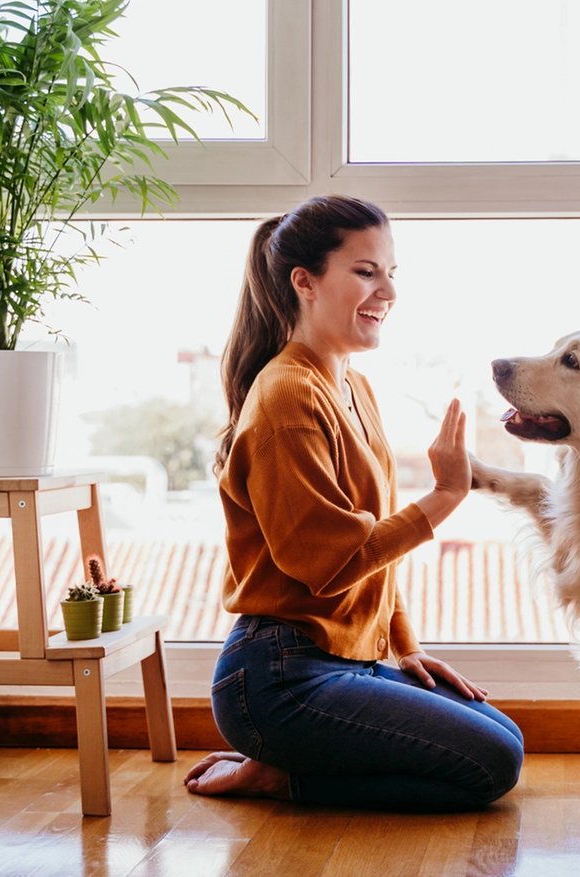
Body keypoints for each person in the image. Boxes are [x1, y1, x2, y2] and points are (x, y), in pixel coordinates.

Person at [184, 195, 524, 810]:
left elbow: (372, 556)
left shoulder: (351, 384)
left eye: (392, 273)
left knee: (505, 736)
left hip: (346, 659)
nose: (387, 290)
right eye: (366, 271)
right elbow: (332, 564)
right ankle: (279, 775)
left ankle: (287, 765)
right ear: (305, 282)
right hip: (278, 677)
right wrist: (447, 494)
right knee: (492, 764)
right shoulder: (287, 398)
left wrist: (405, 645)